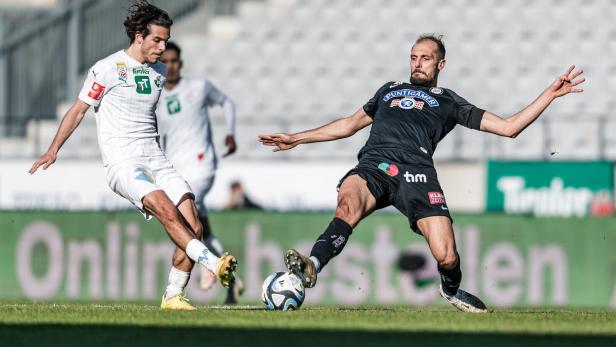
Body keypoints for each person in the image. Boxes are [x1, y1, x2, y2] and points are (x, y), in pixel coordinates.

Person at [259, 34, 584, 313]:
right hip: (375, 165)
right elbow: (348, 124)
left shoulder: (448, 101)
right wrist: (297, 137)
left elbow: (509, 127)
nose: (417, 63)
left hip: (417, 174)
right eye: (413, 57)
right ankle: (309, 269)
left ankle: (450, 289)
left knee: (446, 255)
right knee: (348, 204)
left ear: (440, 64)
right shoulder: (388, 90)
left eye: (425, 58)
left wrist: (550, 94)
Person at [29, 0, 237, 311]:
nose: (163, 46)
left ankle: (173, 295)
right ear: (138, 36)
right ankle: (212, 263)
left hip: (156, 157)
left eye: (166, 40)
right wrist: (53, 148)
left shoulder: (160, 71)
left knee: (194, 226)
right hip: (124, 163)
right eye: (157, 39)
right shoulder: (107, 68)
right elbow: (78, 110)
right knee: (166, 210)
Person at [156, 41, 243, 304]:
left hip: (202, 166)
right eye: (166, 62)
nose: (170, 66)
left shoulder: (198, 87)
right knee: (201, 228)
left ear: (180, 64)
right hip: (176, 171)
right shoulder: (155, 96)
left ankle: (207, 270)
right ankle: (230, 279)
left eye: (175, 61)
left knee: (183, 223)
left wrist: (230, 133)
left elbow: (227, 103)